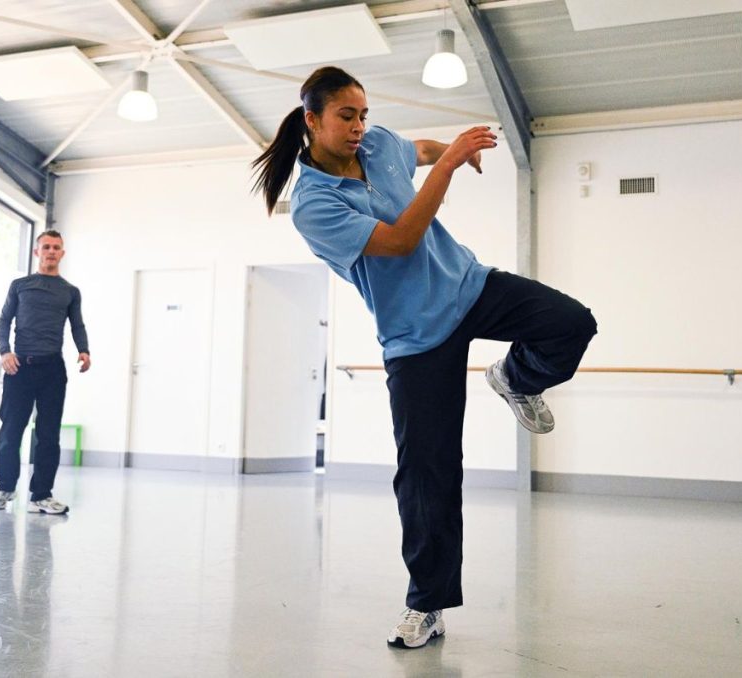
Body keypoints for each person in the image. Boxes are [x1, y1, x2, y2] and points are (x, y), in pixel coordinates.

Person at [252, 66, 596, 649]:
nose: (361, 126)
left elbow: (417, 149)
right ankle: (426, 605)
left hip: (468, 284)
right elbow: (401, 238)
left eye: (363, 113)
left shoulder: (379, 143)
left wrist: (450, 152)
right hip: (415, 336)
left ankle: (516, 377)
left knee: (571, 323)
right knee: (427, 475)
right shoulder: (313, 205)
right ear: (312, 120)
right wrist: (449, 163)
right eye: (346, 116)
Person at [0, 229, 90, 515]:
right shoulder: (20, 285)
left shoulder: (70, 291)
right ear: (37, 252)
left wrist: (84, 350)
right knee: (10, 431)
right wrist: (4, 351)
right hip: (19, 367)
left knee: (48, 435)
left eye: (56, 247)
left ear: (62, 253)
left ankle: (41, 496)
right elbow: (4, 320)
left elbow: (77, 325)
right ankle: (5, 488)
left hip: (52, 370)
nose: (51, 252)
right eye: (46, 247)